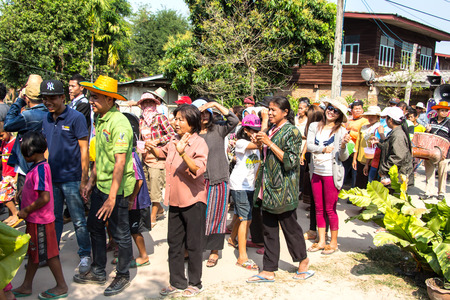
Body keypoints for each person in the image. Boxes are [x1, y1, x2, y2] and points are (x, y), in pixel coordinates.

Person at [74, 75, 135, 297]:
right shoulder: (100, 119)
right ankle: (99, 270)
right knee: (95, 226)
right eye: (91, 96)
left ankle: (123, 274)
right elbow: (100, 156)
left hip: (116, 190)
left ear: (110, 99)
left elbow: (119, 162)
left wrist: (112, 197)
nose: (92, 100)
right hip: (101, 185)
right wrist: (91, 181)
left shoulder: (119, 123)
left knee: (121, 233)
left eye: (96, 97)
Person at [247, 96, 313, 283]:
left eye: (274, 110)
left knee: (290, 228)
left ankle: (303, 260)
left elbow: (291, 161)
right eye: (269, 109)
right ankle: (268, 269)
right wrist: (260, 142)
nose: (270, 113)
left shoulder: (291, 131)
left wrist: (269, 143)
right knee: (269, 230)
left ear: (285, 112)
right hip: (267, 188)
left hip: (283, 190)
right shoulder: (272, 130)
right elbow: (267, 154)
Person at [147, 104, 208, 298]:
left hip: (193, 201)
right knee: (174, 243)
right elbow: (163, 153)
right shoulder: (174, 139)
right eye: (176, 118)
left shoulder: (199, 143)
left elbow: (197, 170)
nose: (176, 122)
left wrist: (183, 153)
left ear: (192, 122)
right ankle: (177, 282)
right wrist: (151, 147)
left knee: (193, 243)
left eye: (181, 119)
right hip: (174, 200)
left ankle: (195, 283)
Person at [40, 79, 91, 274]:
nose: (48, 102)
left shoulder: (76, 117)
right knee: (54, 219)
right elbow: (46, 148)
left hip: (72, 178)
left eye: (52, 98)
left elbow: (84, 150)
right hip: (52, 178)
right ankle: (52, 254)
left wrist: (84, 179)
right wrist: (44, 173)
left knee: (78, 219)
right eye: (45, 98)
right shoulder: (46, 118)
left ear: (63, 97)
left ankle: (85, 254)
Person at [12, 131, 68, 300]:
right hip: (34, 221)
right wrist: (23, 190)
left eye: (25, 153)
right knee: (35, 253)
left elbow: (45, 197)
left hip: (40, 221)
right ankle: (27, 285)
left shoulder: (42, 169)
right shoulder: (35, 167)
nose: (24, 157)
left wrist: (26, 210)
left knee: (49, 254)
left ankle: (61, 286)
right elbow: (34, 185)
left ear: (34, 152)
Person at [191, 99, 239, 268]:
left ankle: (214, 251)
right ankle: (195, 247)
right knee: (197, 216)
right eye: (201, 113)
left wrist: (214, 105)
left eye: (207, 113)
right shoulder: (192, 134)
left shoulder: (219, 129)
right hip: (197, 181)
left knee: (217, 216)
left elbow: (234, 120)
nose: (204, 116)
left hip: (218, 179)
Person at [307, 97, 351, 255]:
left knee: (330, 209)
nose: (331, 112)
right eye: (330, 108)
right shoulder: (314, 126)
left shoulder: (341, 131)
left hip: (331, 173)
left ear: (339, 115)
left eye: (336, 111)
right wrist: (322, 149)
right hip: (316, 172)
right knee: (318, 208)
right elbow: (310, 146)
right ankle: (321, 240)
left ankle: (333, 242)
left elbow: (343, 157)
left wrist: (344, 145)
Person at [4, 75, 48, 204]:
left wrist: (18, 101)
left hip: (27, 164)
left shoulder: (28, 116)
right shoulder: (49, 113)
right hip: (41, 162)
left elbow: (8, 124)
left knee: (26, 200)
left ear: (27, 97)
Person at [136, 92, 175, 227]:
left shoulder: (160, 118)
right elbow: (140, 138)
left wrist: (157, 140)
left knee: (155, 188)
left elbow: (171, 134)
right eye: (144, 103)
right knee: (146, 186)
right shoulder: (141, 120)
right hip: (145, 156)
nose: (147, 105)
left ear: (154, 104)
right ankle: (158, 210)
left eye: (150, 102)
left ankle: (152, 217)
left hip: (158, 157)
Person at [229, 114, 261, 270]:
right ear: (246, 130)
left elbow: (257, 166)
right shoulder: (242, 142)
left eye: (258, 130)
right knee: (245, 219)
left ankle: (232, 239)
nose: (256, 133)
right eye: (254, 130)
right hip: (239, 185)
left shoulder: (255, 144)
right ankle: (242, 257)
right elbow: (257, 146)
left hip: (250, 185)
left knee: (242, 216)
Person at [371, 107, 412, 187]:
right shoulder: (394, 132)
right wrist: (379, 142)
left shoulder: (398, 135)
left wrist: (383, 169)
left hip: (395, 176)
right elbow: (389, 148)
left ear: (390, 120)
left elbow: (397, 156)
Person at [301, 105, 324, 241]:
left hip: (320, 167)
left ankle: (321, 232)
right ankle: (313, 229)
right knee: (315, 202)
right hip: (312, 165)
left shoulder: (320, 130)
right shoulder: (312, 128)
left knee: (320, 203)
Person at [420, 100, 450, 200]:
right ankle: (429, 192)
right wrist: (427, 130)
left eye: (446, 111)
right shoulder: (432, 121)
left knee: (442, 172)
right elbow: (427, 135)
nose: (444, 112)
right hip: (431, 150)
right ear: (437, 111)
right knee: (429, 171)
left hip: (444, 152)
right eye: (442, 110)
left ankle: (441, 192)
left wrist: (447, 153)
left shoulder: (449, 123)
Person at [352, 106, 381, 189]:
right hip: (360, 159)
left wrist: (367, 164)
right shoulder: (363, 128)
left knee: (368, 184)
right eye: (369, 115)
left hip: (371, 161)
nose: (371, 118)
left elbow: (372, 147)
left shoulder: (378, 128)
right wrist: (354, 158)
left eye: (373, 116)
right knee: (359, 182)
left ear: (378, 117)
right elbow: (357, 144)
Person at [343, 100, 368, 189]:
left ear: (362, 110)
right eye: (355, 109)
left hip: (357, 151)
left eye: (359, 109)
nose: (357, 111)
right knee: (343, 171)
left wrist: (350, 133)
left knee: (355, 173)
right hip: (347, 149)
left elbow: (363, 135)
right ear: (351, 110)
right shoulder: (349, 120)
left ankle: (353, 192)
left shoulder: (365, 121)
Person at [0, 122, 17, 226]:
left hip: (12, 173)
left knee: (3, 195)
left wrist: (16, 176)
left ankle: (15, 213)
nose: (1, 138)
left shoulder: (14, 143)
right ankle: (11, 215)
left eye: (2, 135)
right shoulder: (4, 143)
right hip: (5, 173)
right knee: (9, 196)